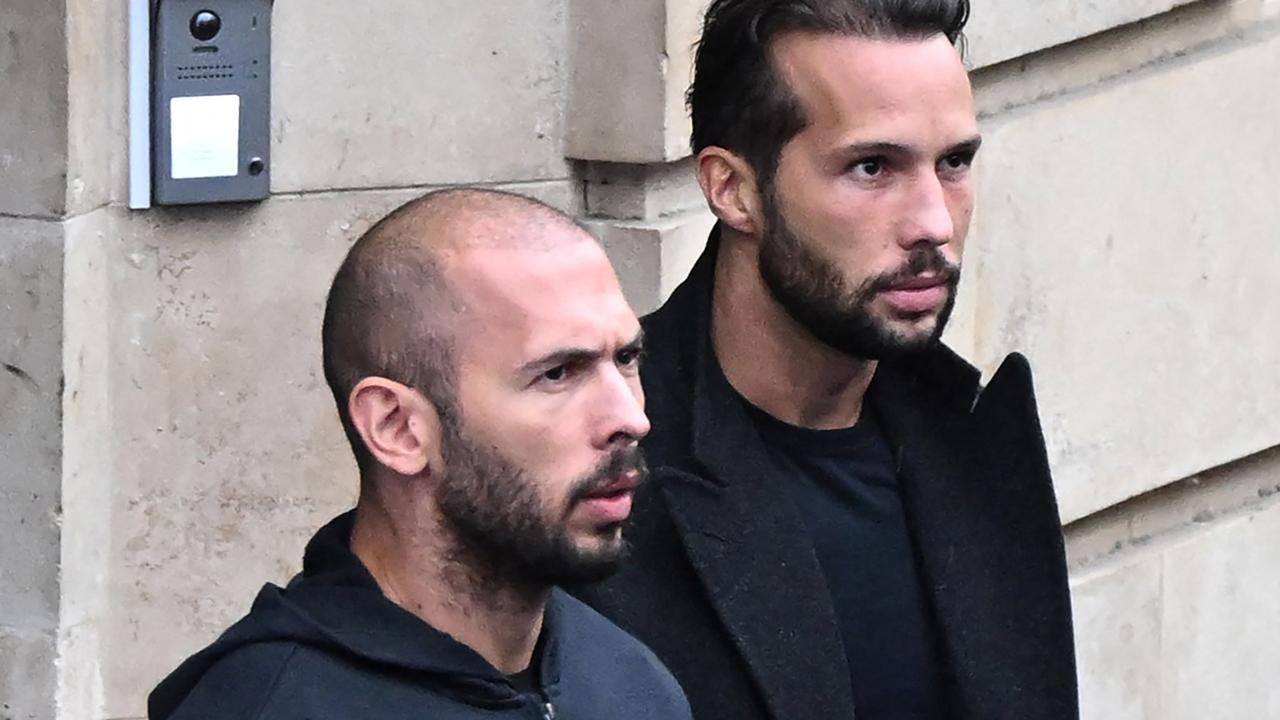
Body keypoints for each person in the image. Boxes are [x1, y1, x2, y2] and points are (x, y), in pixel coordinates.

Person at [571, 2, 1079, 719]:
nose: (933, 221)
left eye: (954, 163)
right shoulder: (599, 467)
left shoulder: (973, 434)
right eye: (873, 167)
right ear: (733, 189)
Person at [148, 189, 693, 720]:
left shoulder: (628, 682)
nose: (630, 418)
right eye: (557, 374)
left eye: (625, 359)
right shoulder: (270, 703)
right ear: (398, 428)